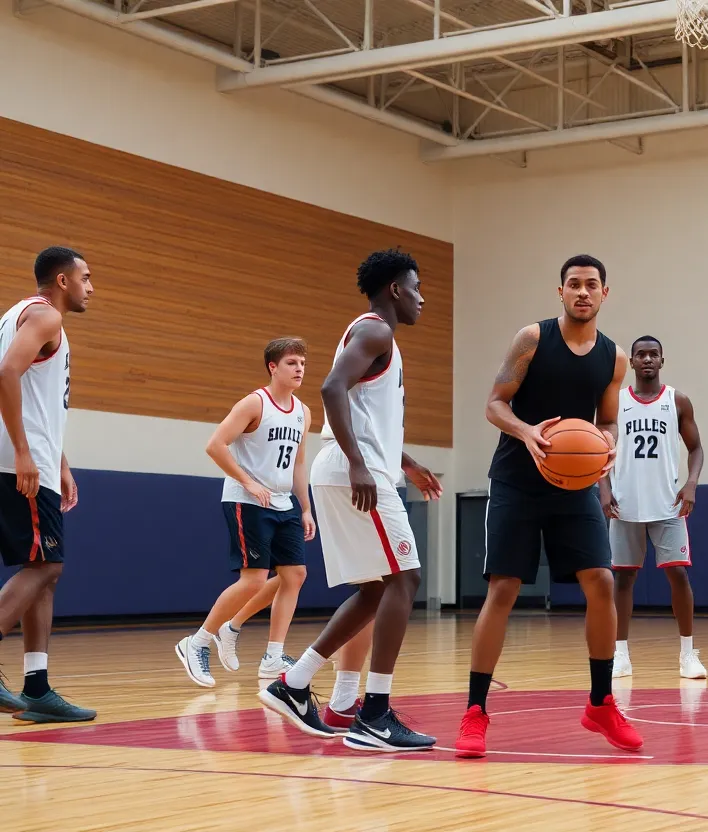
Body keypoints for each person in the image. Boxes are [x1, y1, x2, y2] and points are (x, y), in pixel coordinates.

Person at [455, 254, 639, 759]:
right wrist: (525, 431)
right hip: (518, 478)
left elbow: (606, 419)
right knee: (505, 587)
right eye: (574, 285)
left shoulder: (614, 358)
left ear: (606, 293)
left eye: (592, 285)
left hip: (572, 483)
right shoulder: (532, 339)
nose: (583, 292)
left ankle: (601, 703)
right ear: (560, 292)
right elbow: (495, 403)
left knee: (600, 580)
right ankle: (475, 711)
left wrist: (607, 444)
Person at [258, 248, 441, 752]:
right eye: (417, 287)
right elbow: (332, 387)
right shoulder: (375, 330)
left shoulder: (374, 336)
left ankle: (293, 685)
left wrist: (405, 462)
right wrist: (361, 464)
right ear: (395, 290)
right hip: (354, 473)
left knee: (379, 588)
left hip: (353, 469)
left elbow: (361, 410)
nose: (423, 297)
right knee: (407, 579)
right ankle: (376, 715)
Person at [175, 338, 314, 687]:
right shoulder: (254, 404)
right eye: (292, 363)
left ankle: (272, 655)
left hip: (282, 502)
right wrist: (248, 482)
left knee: (294, 574)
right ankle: (198, 641)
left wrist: (306, 507)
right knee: (253, 578)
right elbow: (215, 445)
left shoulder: (303, 411)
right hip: (247, 500)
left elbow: (298, 463)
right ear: (273, 367)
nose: (299, 369)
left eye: (302, 363)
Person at [0, 246, 95, 723]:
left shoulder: (17, 314)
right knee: (46, 568)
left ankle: (36, 687)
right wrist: (24, 452)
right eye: (85, 277)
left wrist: (59, 460)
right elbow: (6, 374)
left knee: (44, 567)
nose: (90, 287)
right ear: (61, 281)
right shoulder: (46, 320)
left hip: (34, 454)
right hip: (19, 458)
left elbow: (35, 398)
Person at [604, 336, 707, 681]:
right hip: (624, 504)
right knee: (623, 578)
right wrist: (603, 490)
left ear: (663, 359)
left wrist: (690, 483)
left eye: (653, 354)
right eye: (640, 355)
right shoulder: (614, 403)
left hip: (667, 505)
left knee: (678, 575)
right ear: (631, 362)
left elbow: (696, 449)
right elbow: (596, 451)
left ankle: (687, 654)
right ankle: (620, 655)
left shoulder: (676, 400)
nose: (647, 359)